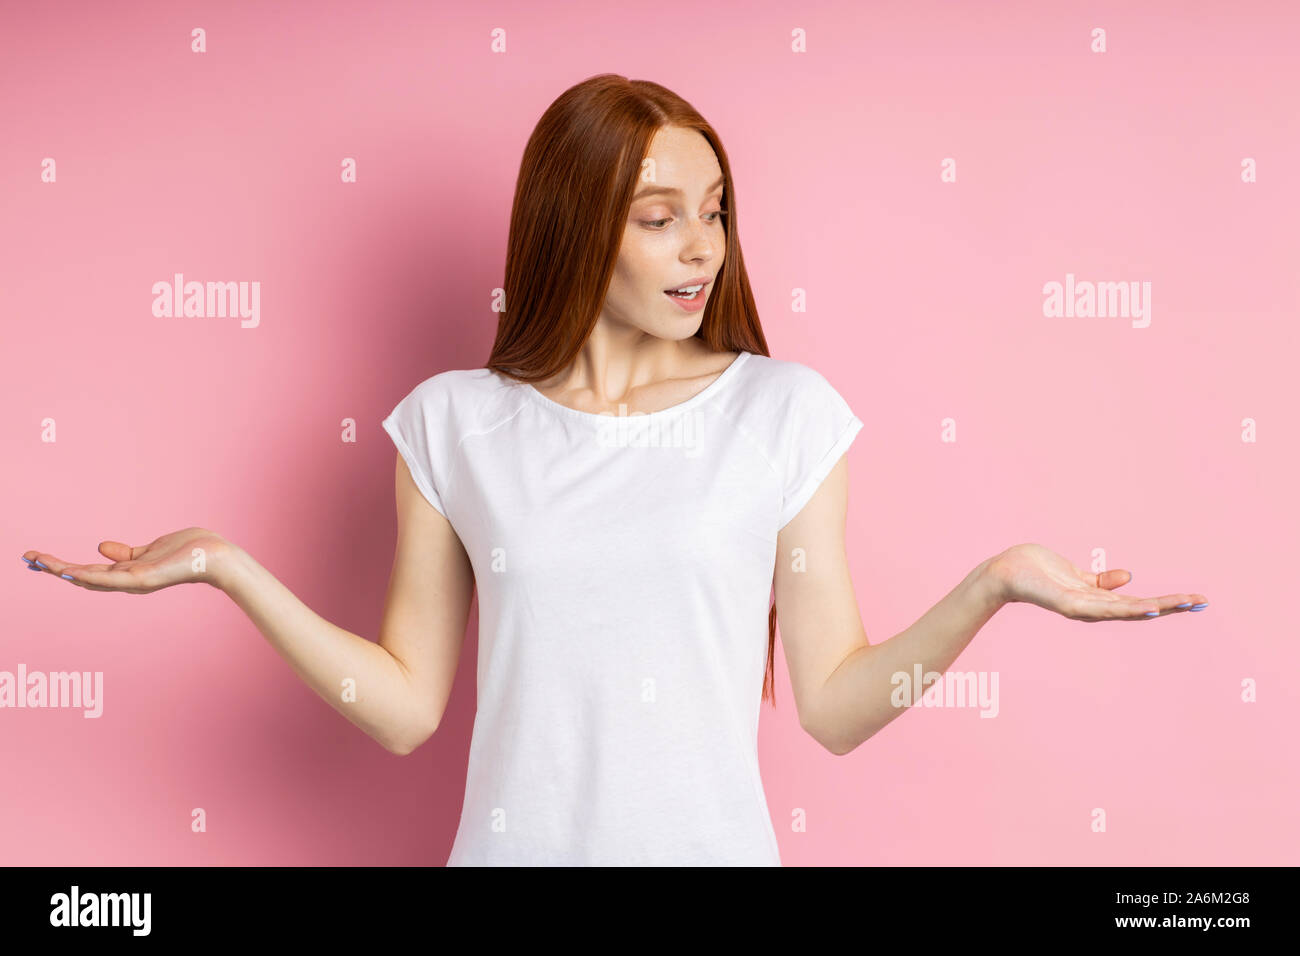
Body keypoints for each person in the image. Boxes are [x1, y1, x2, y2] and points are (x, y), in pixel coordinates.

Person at [21, 74, 1209, 867]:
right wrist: (231, 569)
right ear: (574, 226)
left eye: (716, 210)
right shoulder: (454, 426)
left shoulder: (782, 414)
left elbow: (838, 707)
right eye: (657, 216)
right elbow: (401, 707)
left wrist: (995, 583)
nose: (701, 246)